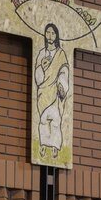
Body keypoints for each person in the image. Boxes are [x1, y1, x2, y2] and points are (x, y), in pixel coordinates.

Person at [34, 22, 70, 159]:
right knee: (43, 120)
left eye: (53, 33)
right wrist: (42, 68)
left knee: (55, 120)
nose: (50, 36)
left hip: (55, 91)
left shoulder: (61, 53)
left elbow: (64, 70)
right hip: (43, 91)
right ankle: (43, 145)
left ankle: (55, 147)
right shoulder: (41, 53)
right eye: (48, 33)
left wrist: (61, 84)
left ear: (56, 35)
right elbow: (38, 77)